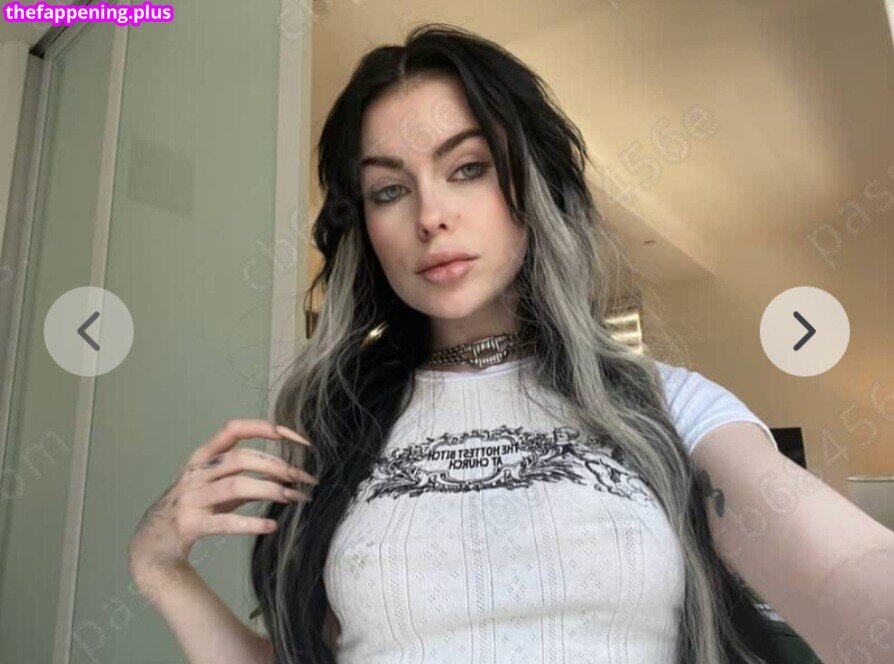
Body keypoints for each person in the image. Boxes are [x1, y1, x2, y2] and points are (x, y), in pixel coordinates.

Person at [128, 23, 787, 664]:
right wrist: (160, 570)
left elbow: (834, 567)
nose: (430, 216)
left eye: (468, 168)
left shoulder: (669, 406)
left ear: (532, 185)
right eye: (389, 190)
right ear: (366, 227)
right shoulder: (336, 430)